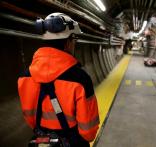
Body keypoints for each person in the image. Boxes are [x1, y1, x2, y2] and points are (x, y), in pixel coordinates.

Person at [17, 12, 99, 147]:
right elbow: (88, 132)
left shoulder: (24, 77)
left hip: (41, 140)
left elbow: (30, 119)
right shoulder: (80, 79)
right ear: (68, 42)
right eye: (74, 41)